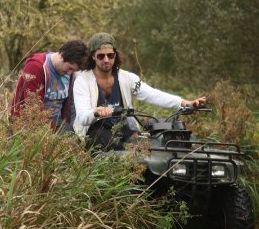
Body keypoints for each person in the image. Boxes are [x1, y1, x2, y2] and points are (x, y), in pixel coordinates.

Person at [72, 32, 207, 149]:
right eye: (101, 56)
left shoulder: (127, 78)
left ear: (115, 55)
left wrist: (184, 103)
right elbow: (82, 117)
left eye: (110, 55)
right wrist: (96, 112)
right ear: (93, 57)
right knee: (111, 146)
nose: (106, 60)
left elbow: (153, 94)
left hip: (123, 129)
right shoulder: (82, 81)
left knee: (146, 148)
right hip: (96, 131)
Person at [10, 39, 89, 131]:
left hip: (58, 122)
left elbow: (70, 107)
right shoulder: (36, 67)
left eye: (74, 70)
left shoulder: (70, 74)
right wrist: (54, 133)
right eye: (69, 68)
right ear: (62, 55)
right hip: (29, 124)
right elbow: (32, 108)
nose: (70, 73)